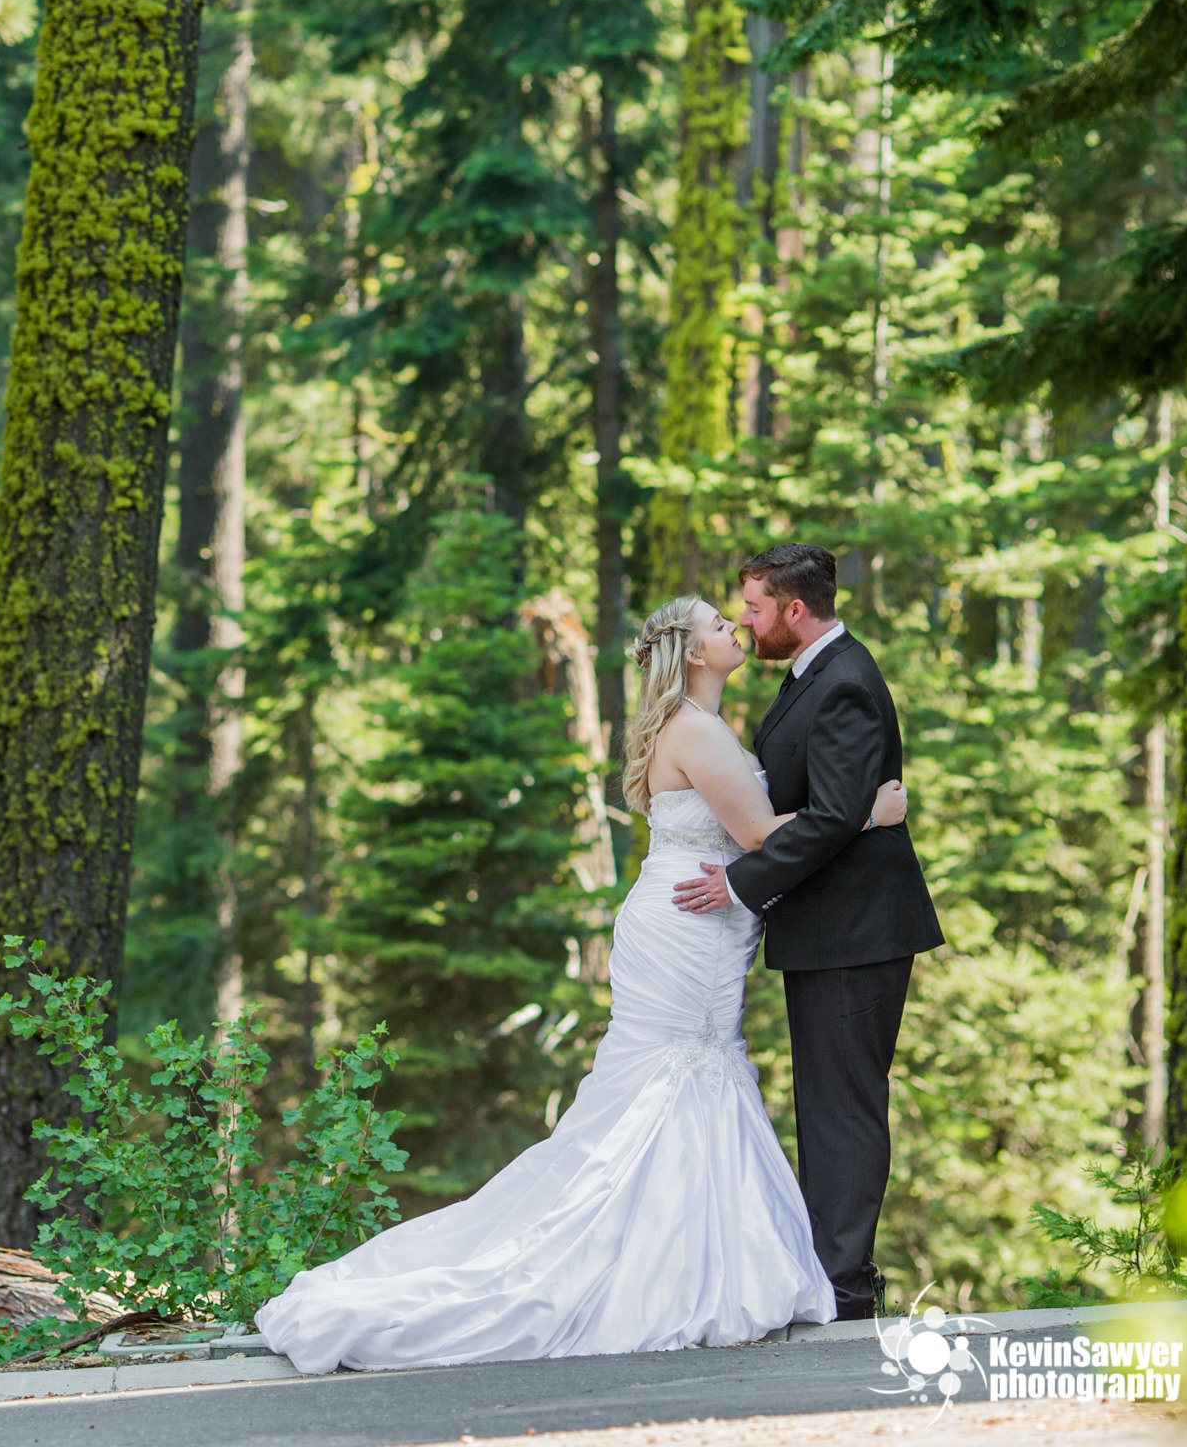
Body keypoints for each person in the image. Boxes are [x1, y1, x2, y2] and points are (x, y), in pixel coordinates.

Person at [255, 591, 906, 1374]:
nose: (734, 627)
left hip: (696, 921)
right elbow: (762, 835)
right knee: (679, 1078)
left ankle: (691, 1264)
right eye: (716, 624)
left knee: (680, 1081)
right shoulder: (695, 730)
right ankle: (666, 1270)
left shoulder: (706, 725)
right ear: (694, 653)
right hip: (686, 927)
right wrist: (869, 813)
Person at [670, 544, 942, 1321]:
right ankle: (831, 1276)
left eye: (753, 608)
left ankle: (847, 1288)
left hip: (857, 930)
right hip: (827, 927)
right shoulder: (808, 677)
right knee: (826, 1106)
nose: (746, 621)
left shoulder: (847, 682)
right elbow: (838, 805)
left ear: (795, 610)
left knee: (846, 1106)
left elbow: (828, 815)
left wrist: (738, 882)